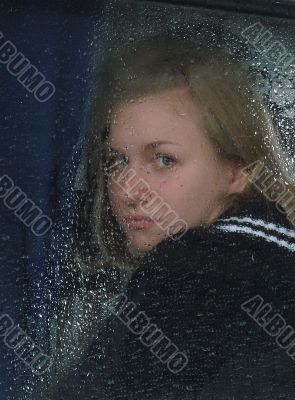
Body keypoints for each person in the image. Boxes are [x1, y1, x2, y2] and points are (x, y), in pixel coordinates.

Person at [52, 34, 295, 399]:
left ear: (237, 169)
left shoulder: (193, 268)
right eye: (118, 162)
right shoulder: (272, 254)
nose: (129, 190)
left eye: (164, 160)